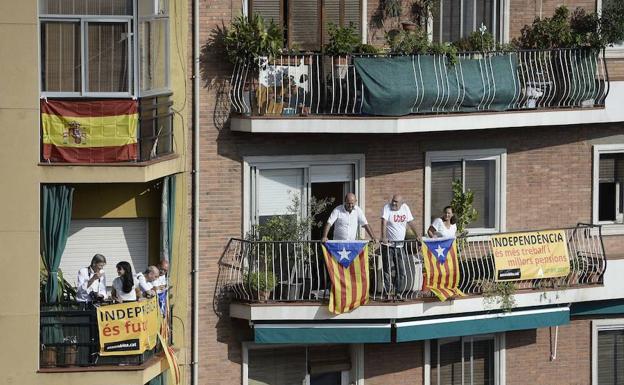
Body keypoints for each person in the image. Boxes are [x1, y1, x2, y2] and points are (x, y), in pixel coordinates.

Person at [380, 195, 422, 298]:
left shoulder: (405, 208)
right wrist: (384, 237)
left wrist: (418, 235)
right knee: (387, 270)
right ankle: (388, 293)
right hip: (388, 245)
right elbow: (383, 222)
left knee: (401, 271)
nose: (394, 203)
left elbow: (411, 222)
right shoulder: (387, 208)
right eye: (393, 201)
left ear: (401, 203)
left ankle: (398, 292)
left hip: (400, 245)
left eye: (396, 202)